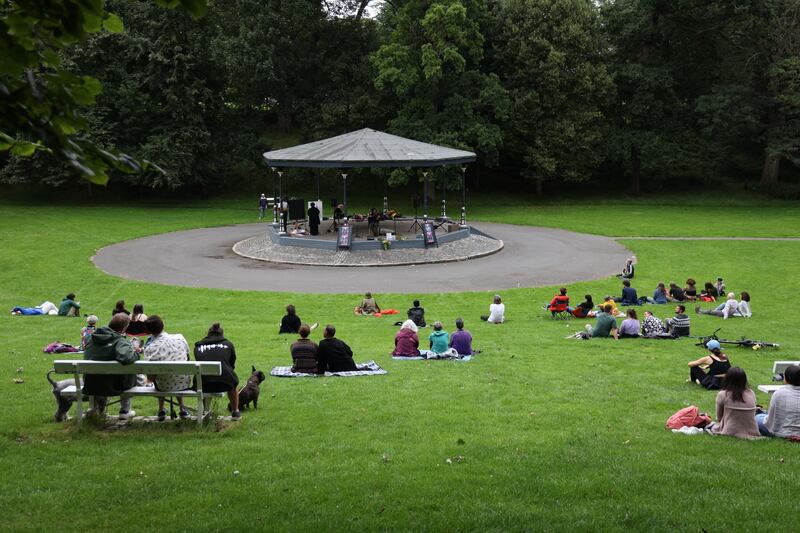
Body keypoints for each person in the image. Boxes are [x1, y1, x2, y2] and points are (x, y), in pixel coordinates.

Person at [83, 313, 140, 419]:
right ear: (124, 328)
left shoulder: (92, 339)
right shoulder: (119, 341)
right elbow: (126, 358)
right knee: (128, 373)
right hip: (113, 385)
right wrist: (136, 353)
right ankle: (125, 410)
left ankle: (95, 409)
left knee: (105, 376)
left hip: (91, 382)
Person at [143, 315, 191, 420]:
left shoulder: (150, 348)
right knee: (175, 371)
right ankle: (182, 409)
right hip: (183, 382)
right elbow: (187, 358)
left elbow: (150, 378)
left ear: (148, 331)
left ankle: (161, 409)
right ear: (163, 325)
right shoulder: (180, 338)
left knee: (160, 375)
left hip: (163, 385)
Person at [194, 322, 241, 420]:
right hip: (224, 384)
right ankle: (235, 411)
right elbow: (232, 365)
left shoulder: (198, 346)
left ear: (208, 334)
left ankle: (205, 411)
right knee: (232, 380)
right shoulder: (228, 344)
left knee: (204, 376)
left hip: (202, 384)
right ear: (221, 334)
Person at [710, 367, 760, 438]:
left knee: (709, 425)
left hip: (729, 431)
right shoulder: (751, 393)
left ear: (727, 379)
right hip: (752, 431)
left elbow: (719, 417)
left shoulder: (723, 394)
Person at [756, 364, 800, 438]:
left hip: (781, 432)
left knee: (758, 418)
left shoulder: (779, 393)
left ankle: (760, 412)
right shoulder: (780, 393)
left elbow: (770, 418)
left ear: (786, 378)